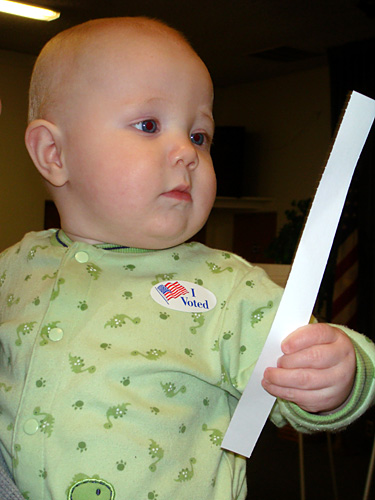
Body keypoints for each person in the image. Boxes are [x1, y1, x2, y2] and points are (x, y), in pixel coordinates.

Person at [0, 17, 373, 500]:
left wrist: (339, 375)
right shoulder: (15, 265)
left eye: (199, 135)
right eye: (149, 125)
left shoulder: (225, 287)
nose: (187, 152)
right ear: (54, 153)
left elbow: (303, 380)